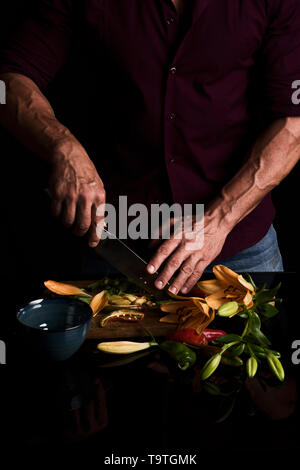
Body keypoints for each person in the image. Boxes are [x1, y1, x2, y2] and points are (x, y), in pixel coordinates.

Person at [0, 0, 299, 295]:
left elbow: (293, 121)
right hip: (116, 239)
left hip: (239, 248)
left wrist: (218, 221)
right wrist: (62, 147)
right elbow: (9, 81)